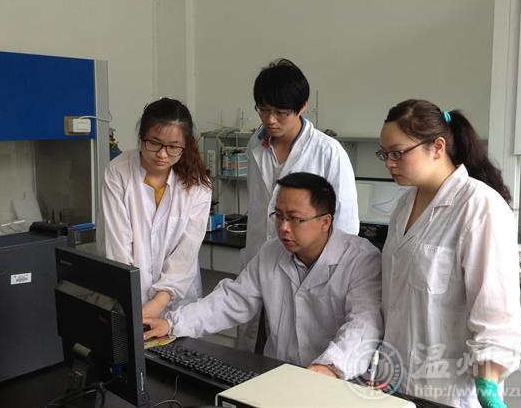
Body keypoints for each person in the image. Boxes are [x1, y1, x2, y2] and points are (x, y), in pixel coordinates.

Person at [144, 172, 382, 379]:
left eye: (295, 219)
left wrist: (329, 367)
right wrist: (172, 324)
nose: (284, 227)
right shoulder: (272, 252)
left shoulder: (360, 259)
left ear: (325, 222)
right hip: (279, 375)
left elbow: (364, 323)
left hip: (335, 380)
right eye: (279, 216)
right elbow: (231, 300)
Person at [377, 99, 521, 408]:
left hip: (450, 390)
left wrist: (487, 386)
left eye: (398, 153)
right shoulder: (404, 206)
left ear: (438, 147)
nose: (389, 163)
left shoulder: (479, 206)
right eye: (385, 154)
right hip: (396, 380)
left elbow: (495, 312)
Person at [240, 58, 360, 351]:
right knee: (257, 353)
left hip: (310, 275)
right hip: (261, 263)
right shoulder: (255, 146)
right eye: (263, 110)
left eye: (281, 112)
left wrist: (324, 276)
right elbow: (259, 209)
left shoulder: (329, 152)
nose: (270, 120)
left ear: (303, 106)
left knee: (302, 353)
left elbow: (345, 224)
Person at [97, 97, 212, 319]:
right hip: (126, 297)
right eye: (154, 143)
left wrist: (158, 303)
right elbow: (118, 248)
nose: (162, 154)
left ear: (185, 145)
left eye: (173, 147)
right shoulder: (118, 172)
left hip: (176, 303)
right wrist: (135, 310)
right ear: (141, 137)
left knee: (178, 341)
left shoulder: (198, 186)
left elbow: (185, 253)